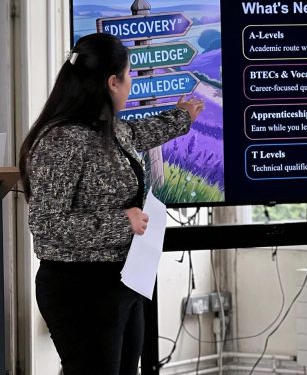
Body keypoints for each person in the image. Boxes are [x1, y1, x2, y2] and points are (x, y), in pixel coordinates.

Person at [18, 32, 205, 374]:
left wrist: (182, 117)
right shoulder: (62, 139)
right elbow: (45, 224)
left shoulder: (107, 128)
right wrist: (123, 222)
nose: (132, 83)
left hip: (120, 280)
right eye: (129, 74)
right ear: (112, 82)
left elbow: (137, 134)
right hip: (80, 289)